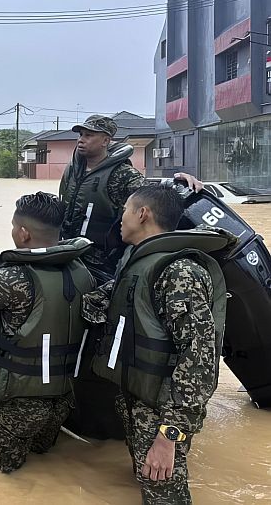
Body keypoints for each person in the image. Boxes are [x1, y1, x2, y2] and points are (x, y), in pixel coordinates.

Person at [83, 184, 229, 504]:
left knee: (166, 497)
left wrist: (169, 435)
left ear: (143, 214)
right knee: (149, 486)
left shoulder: (179, 272)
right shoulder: (137, 261)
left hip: (162, 416)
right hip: (138, 401)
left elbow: (200, 357)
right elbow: (118, 298)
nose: (120, 218)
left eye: (125, 211)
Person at [59, 114, 202, 440]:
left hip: (97, 265)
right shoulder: (74, 171)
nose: (82, 139)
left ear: (107, 140)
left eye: (90, 135)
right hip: (67, 255)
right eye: (80, 133)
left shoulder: (120, 175)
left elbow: (148, 203)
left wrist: (176, 182)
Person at [0, 192, 95, 473]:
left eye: (14, 226)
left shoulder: (11, 277)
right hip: (61, 401)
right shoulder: (81, 271)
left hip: (14, 404)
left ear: (23, 233)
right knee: (41, 471)